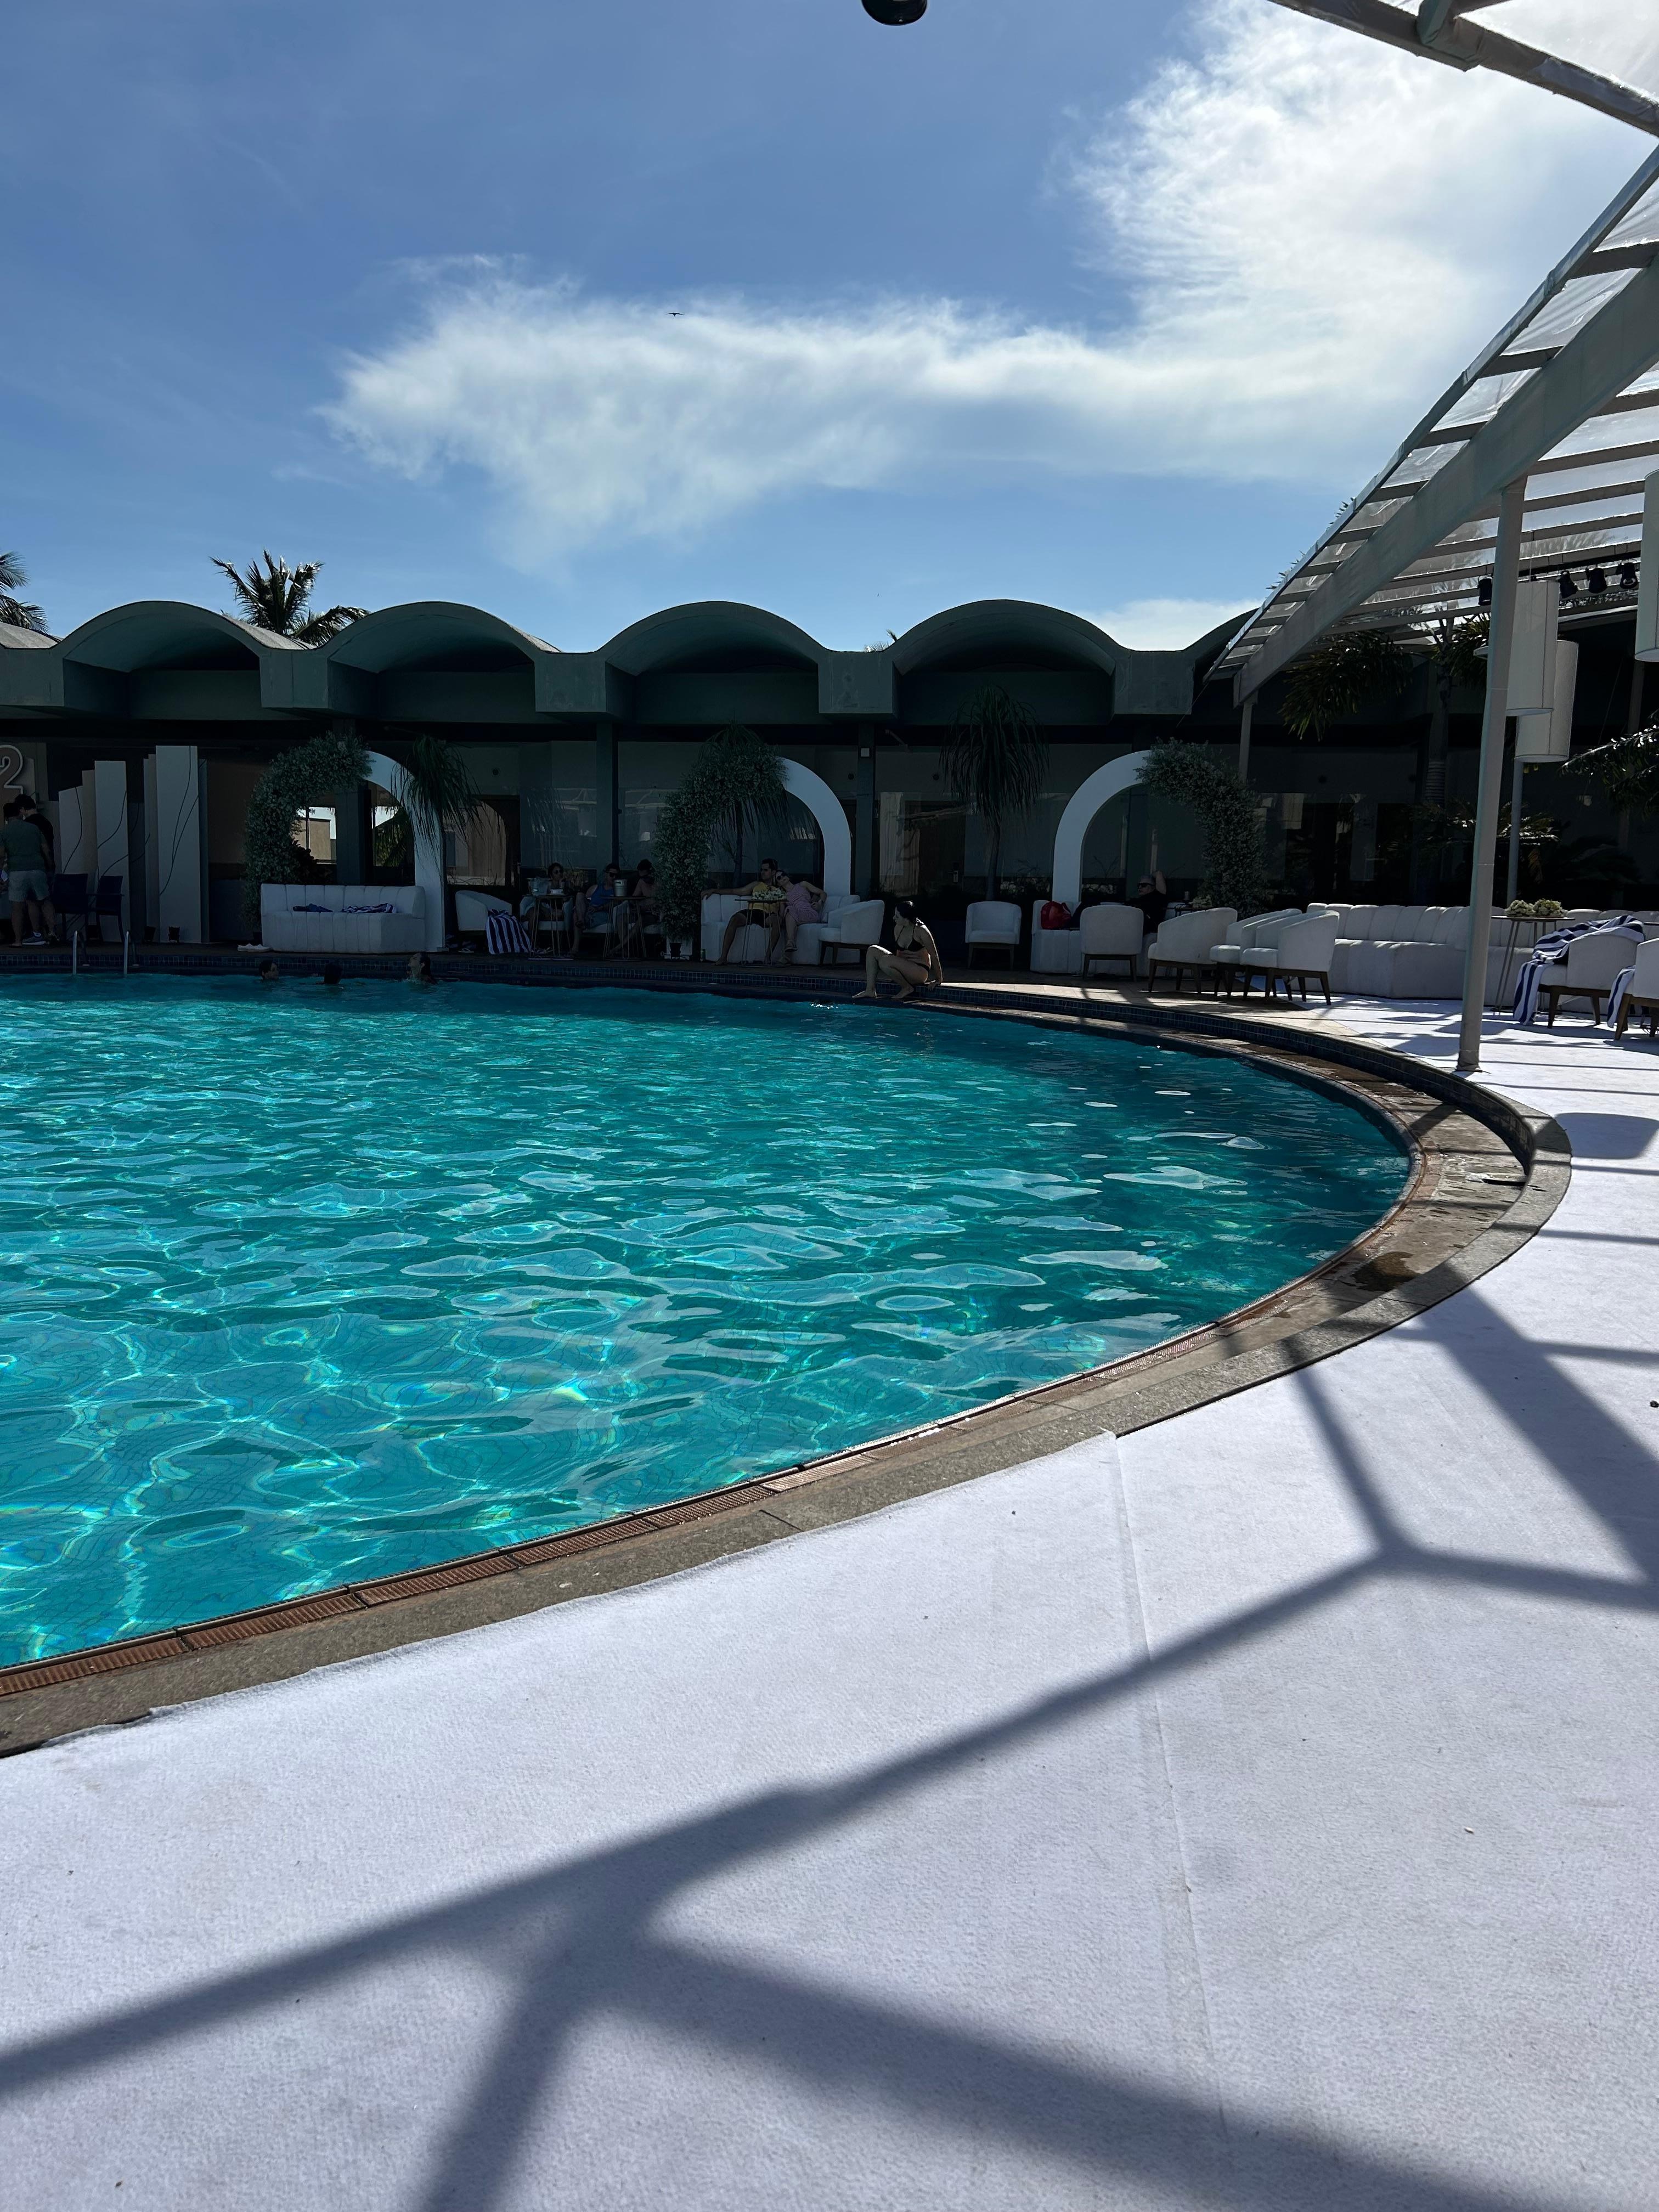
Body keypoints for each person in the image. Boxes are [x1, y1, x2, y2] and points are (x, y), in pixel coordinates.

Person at [855, 901, 943, 1002]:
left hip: (919, 972)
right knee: (872, 950)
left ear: (906, 920)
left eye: (897, 916)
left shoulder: (921, 931)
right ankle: (870, 990)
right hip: (906, 968)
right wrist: (895, 973)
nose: (894, 918)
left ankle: (907, 988)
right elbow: (899, 954)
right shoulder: (898, 928)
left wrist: (938, 979)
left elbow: (934, 955)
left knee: (884, 961)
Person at [3, 797, 57, 947]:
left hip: (17, 870)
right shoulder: (38, 827)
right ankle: (52, 932)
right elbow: (46, 850)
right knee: (45, 901)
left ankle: (24, 938)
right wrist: (50, 866)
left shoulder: (5, 831)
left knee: (21, 905)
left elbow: (2, 854)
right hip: (39, 869)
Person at [720, 859, 786, 963]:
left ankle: (768, 957)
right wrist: (714, 890)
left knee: (778, 920)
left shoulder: (779, 891)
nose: (762, 872)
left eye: (766, 870)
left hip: (768, 914)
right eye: (762, 870)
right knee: (734, 919)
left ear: (773, 872)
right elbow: (736, 891)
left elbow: (781, 911)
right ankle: (723, 958)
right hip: (753, 911)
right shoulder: (757, 884)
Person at [568, 862, 623, 954]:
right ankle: (582, 920)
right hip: (591, 910)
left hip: (605, 913)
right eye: (612, 875)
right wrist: (588, 907)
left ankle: (575, 948)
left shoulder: (618, 891)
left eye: (616, 876)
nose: (614, 878)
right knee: (579, 896)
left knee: (576, 915)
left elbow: (617, 903)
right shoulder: (595, 888)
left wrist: (599, 908)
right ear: (606, 875)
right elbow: (585, 901)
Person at [778, 872, 825, 962]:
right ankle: (789, 949)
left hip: (809, 913)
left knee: (792, 921)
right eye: (779, 878)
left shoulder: (803, 885)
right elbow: (782, 915)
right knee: (790, 911)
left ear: (788, 876)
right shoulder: (783, 896)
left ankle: (789, 949)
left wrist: (820, 903)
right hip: (797, 915)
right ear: (778, 884)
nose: (782, 877)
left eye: (783, 875)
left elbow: (822, 893)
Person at [1131, 870, 1170, 934]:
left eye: (1144, 885)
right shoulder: (1136, 900)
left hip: (1147, 927)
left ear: (1153, 887)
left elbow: (1159, 874)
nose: (1140, 887)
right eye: (1139, 885)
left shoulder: (1157, 897)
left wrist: (1151, 876)